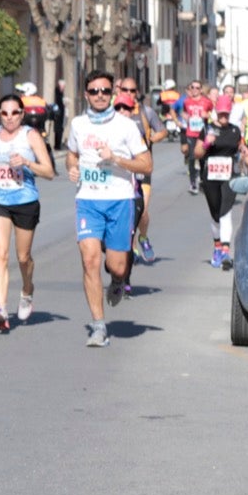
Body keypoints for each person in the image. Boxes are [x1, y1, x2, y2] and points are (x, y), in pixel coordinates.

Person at [65, 72, 152, 348]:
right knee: (89, 259)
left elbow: (146, 165)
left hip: (119, 200)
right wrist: (72, 167)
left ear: (111, 93)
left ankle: (117, 279)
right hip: (88, 201)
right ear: (86, 94)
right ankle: (98, 326)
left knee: (117, 264)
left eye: (104, 90)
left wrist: (115, 158)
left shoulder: (126, 126)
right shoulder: (78, 124)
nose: (100, 95)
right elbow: (71, 154)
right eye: (94, 91)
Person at [0, 94, 54, 331]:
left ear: (22, 113)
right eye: (5, 113)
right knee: (0, 254)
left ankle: (27, 289)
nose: (10, 118)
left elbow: (49, 171)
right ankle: (1, 308)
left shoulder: (30, 136)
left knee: (23, 257)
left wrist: (27, 163)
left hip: (25, 200)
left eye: (15, 113)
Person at [116, 77, 168, 283]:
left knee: (143, 211)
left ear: (137, 91)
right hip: (120, 170)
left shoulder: (146, 112)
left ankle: (143, 237)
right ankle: (132, 249)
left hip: (141, 168)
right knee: (126, 215)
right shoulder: (115, 111)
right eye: (125, 89)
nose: (129, 93)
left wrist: (151, 139)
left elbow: (162, 130)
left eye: (132, 90)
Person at [198, 115, 244, 269]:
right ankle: (217, 247)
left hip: (229, 175)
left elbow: (240, 145)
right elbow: (197, 153)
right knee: (215, 213)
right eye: (221, 114)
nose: (224, 117)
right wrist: (206, 143)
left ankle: (225, 251)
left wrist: (243, 149)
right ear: (217, 113)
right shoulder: (207, 129)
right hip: (210, 175)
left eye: (226, 114)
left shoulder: (234, 130)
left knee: (226, 211)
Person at [181, 80, 213, 195]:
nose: (194, 90)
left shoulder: (207, 102)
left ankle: (203, 181)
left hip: (202, 133)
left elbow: (213, 114)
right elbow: (183, 112)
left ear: (201, 90)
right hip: (191, 133)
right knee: (191, 157)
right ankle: (193, 182)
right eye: (192, 87)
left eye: (197, 88)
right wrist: (186, 117)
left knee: (203, 157)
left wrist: (207, 115)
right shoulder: (187, 102)